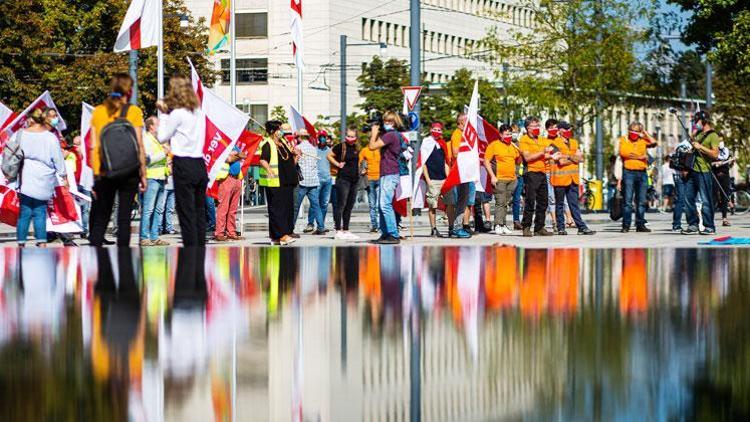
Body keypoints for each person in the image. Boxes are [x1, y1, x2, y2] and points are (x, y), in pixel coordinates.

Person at [89, 73, 147, 247]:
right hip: (129, 170)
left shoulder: (99, 111)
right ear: (128, 90)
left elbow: (94, 146)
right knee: (124, 218)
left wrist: (96, 175)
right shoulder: (134, 111)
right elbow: (139, 145)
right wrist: (143, 172)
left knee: (101, 217)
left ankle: (95, 260)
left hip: (105, 170)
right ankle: (124, 261)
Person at [155, 75, 208, 246]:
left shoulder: (177, 114)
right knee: (199, 210)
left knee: (186, 211)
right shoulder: (200, 113)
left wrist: (163, 115)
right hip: (199, 163)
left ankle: (190, 249)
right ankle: (200, 248)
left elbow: (162, 137)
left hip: (183, 163)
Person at [9, 108, 68, 247]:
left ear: (30, 119)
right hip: (44, 177)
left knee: (25, 213)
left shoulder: (20, 134)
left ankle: (21, 244)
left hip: (26, 176)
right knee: (40, 212)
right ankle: (42, 243)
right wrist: (63, 176)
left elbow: (10, 149)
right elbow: (58, 158)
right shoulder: (50, 137)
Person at [549, 121, 595, 235]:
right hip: (560, 179)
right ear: (560, 130)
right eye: (566, 129)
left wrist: (568, 157)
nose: (569, 131)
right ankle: (561, 227)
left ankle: (581, 227)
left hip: (573, 178)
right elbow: (561, 161)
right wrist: (573, 157)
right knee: (559, 204)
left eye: (569, 129)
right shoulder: (553, 144)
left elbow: (581, 158)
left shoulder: (574, 142)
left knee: (574, 204)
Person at [259, 120, 299, 245]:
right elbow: (263, 160)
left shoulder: (283, 143)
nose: (281, 131)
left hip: (287, 181)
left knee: (287, 208)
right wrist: (269, 169)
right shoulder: (268, 143)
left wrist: (296, 156)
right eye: (279, 129)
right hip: (275, 182)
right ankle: (281, 235)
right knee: (277, 210)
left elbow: (289, 161)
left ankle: (278, 236)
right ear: (272, 131)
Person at [367, 111, 404, 244]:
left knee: (385, 204)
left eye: (389, 121)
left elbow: (372, 146)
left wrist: (374, 133)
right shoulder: (392, 135)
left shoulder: (391, 135)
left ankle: (393, 234)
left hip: (390, 173)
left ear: (394, 122)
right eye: (385, 121)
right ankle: (385, 233)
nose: (386, 123)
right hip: (387, 173)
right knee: (380, 204)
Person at [682, 110, 720, 235]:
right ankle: (692, 224)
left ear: (703, 120)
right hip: (692, 170)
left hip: (704, 171)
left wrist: (701, 147)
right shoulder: (697, 134)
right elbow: (692, 146)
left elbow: (715, 154)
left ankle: (709, 226)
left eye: (696, 121)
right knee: (688, 198)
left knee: (706, 199)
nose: (695, 123)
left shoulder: (713, 136)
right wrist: (693, 137)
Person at [618, 121, 657, 233]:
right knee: (628, 201)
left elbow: (654, 143)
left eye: (637, 131)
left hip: (642, 173)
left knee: (641, 201)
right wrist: (641, 156)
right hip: (628, 172)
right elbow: (624, 153)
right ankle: (626, 225)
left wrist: (644, 133)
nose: (634, 133)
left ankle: (640, 224)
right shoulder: (624, 139)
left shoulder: (643, 140)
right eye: (632, 131)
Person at [519, 116, 553, 237]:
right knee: (530, 201)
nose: (537, 128)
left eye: (538, 125)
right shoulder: (523, 140)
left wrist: (555, 155)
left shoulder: (542, 139)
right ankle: (526, 226)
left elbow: (550, 153)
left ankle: (539, 227)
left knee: (543, 201)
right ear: (528, 128)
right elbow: (528, 157)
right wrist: (543, 152)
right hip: (531, 173)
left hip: (542, 172)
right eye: (534, 126)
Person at [484, 124, 520, 235]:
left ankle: (503, 224)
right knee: (500, 202)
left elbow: (518, 161)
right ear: (500, 135)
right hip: (499, 179)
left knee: (505, 203)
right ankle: (497, 225)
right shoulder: (494, 145)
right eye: (506, 134)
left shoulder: (513, 146)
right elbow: (486, 161)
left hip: (512, 179)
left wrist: (520, 151)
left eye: (510, 133)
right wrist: (492, 176)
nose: (509, 136)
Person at [139, 116, 169, 246]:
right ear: (151, 126)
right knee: (148, 209)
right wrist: (163, 153)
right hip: (151, 178)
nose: (160, 126)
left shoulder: (156, 140)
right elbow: (146, 159)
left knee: (158, 209)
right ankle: (144, 237)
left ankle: (154, 236)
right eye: (158, 124)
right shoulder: (146, 139)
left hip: (161, 177)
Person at [329, 127, 361, 240]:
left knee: (349, 205)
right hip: (343, 179)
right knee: (341, 204)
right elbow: (329, 156)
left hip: (355, 179)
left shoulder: (357, 148)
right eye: (348, 136)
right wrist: (338, 164)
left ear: (356, 137)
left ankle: (346, 229)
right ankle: (338, 230)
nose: (350, 138)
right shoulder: (341, 146)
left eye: (352, 136)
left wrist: (360, 171)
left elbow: (357, 162)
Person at [421, 122, 450, 237]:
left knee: (448, 204)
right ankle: (433, 228)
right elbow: (423, 163)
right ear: (430, 129)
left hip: (443, 178)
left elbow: (445, 162)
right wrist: (428, 180)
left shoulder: (442, 143)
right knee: (432, 205)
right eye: (435, 129)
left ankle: (450, 227)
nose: (437, 132)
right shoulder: (426, 142)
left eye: (439, 130)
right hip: (432, 179)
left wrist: (448, 179)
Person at [293, 128, 324, 235]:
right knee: (316, 205)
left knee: (296, 207)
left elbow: (293, 163)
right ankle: (321, 227)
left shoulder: (298, 148)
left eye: (297, 137)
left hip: (302, 182)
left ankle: (290, 228)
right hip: (313, 180)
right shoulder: (313, 148)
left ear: (300, 137)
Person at [214, 145, 247, 241]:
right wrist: (238, 155)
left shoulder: (235, 145)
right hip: (226, 178)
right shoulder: (223, 144)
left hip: (236, 179)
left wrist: (235, 155)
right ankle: (219, 233)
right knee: (223, 207)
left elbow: (244, 155)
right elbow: (227, 158)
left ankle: (231, 232)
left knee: (233, 209)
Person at [448, 113, 472, 238]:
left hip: (465, 172)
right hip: (459, 173)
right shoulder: (457, 135)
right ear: (461, 122)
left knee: (463, 201)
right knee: (461, 201)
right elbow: (456, 153)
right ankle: (457, 228)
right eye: (467, 121)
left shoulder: (464, 135)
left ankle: (457, 227)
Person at [309, 129, 333, 233]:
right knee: (314, 203)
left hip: (327, 180)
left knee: (324, 204)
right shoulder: (314, 150)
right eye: (320, 137)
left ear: (327, 138)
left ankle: (321, 225)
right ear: (318, 139)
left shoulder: (330, 151)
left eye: (324, 137)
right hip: (316, 180)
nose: (322, 139)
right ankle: (310, 223)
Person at [359, 131, 381, 233]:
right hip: (369, 180)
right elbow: (359, 164)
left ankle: (381, 225)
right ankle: (374, 225)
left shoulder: (380, 150)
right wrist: (362, 170)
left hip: (381, 179)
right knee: (372, 204)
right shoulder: (364, 151)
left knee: (380, 204)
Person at [712, 142, 735, 227]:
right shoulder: (713, 151)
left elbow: (731, 164)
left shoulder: (727, 151)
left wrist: (731, 161)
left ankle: (724, 219)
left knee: (725, 197)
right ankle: (710, 218)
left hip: (725, 176)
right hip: (715, 176)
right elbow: (708, 163)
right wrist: (715, 164)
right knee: (713, 197)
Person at [510, 123, 524, 230]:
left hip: (519, 176)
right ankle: (501, 222)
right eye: (512, 131)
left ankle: (516, 221)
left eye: (516, 131)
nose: (514, 133)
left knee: (516, 199)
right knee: (503, 200)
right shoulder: (507, 144)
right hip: (507, 176)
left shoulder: (520, 144)